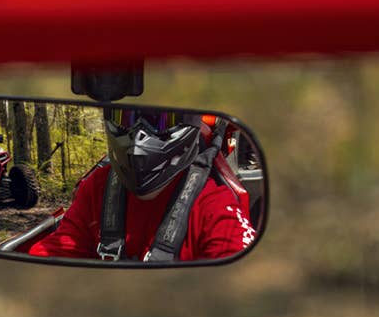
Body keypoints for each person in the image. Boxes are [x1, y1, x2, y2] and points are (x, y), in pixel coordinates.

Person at [28, 109, 256, 262]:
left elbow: (243, 268)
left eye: (158, 120)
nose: (139, 136)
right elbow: (56, 251)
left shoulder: (213, 202)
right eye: (126, 117)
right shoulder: (98, 187)